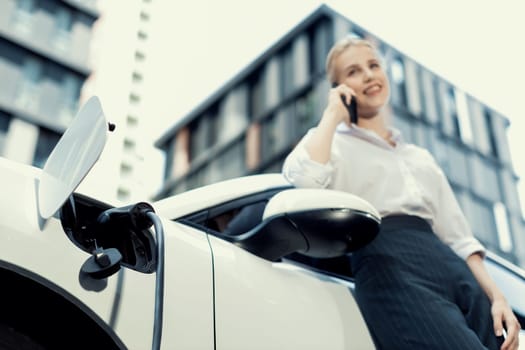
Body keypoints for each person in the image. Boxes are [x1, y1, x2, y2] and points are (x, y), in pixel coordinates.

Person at [281, 35, 521, 350]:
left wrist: (498, 298)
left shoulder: (419, 156)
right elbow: (304, 181)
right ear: (339, 90)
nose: (368, 75)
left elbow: (460, 239)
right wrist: (331, 116)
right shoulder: (330, 142)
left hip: (450, 267)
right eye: (353, 72)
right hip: (388, 261)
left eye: (373, 65)